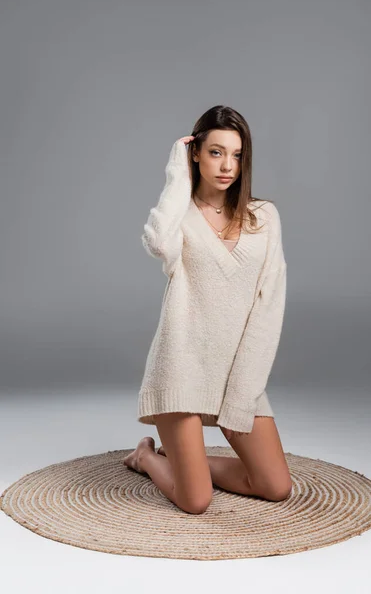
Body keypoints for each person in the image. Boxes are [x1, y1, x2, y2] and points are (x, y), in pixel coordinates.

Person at [123, 105, 292, 514]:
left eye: (236, 155)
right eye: (216, 152)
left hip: (237, 370)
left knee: (275, 486)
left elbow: (269, 308)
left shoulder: (263, 217)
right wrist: (176, 178)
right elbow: (158, 243)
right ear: (195, 153)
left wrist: (242, 394)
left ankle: (179, 462)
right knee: (195, 500)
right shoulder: (178, 216)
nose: (227, 165)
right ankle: (146, 456)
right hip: (181, 366)